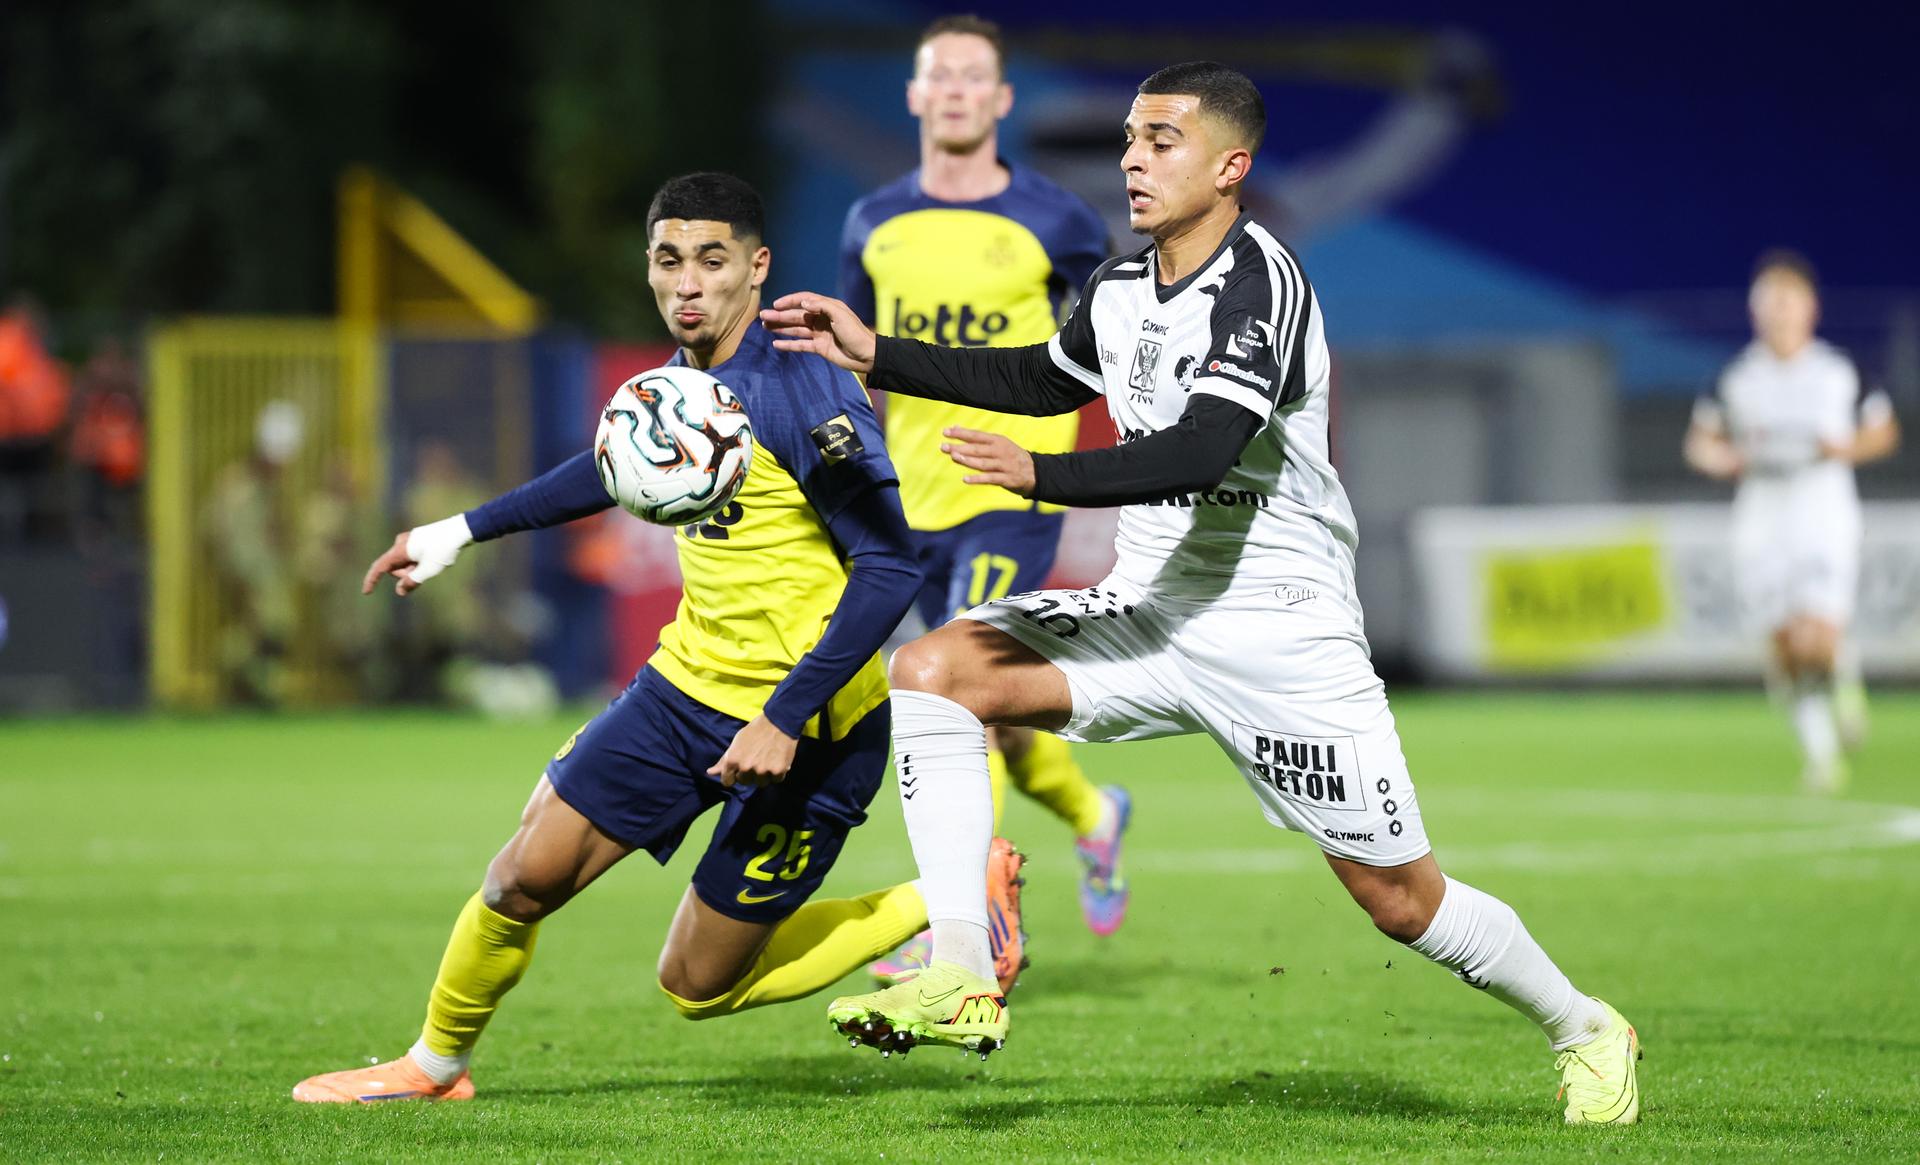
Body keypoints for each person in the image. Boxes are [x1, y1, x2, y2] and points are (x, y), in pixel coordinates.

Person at [765, 62, 1642, 1125]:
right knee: (936, 671)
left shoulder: (1261, 284)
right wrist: (880, 353)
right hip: (1148, 612)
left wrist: (1040, 473)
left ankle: (1586, 1026)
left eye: (1162, 140)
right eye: (1131, 138)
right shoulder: (1124, 286)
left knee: (1399, 900)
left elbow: (1199, 447)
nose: (1134, 158)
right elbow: (1045, 379)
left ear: (1231, 167)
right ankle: (959, 968)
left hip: (1281, 635)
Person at [291, 173, 1022, 1104]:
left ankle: (953, 894)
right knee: (521, 877)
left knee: (696, 986)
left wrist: (786, 715)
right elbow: (606, 470)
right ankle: (434, 1068)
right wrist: (455, 533)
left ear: (756, 270)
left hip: (814, 727)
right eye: (669, 261)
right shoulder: (678, 383)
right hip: (682, 692)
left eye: (712, 261)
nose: (689, 283)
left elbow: (890, 568)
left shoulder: (802, 390)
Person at [839, 14, 1131, 974]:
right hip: (908, 497)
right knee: (987, 708)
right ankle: (1095, 810)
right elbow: (857, 362)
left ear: (1002, 100)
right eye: (941, 76)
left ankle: (964, 920)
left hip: (1011, 488)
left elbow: (1113, 343)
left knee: (955, 698)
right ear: (917, 95)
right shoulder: (873, 224)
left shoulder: (1058, 221)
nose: (958, 90)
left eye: (976, 77)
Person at [1683, 250, 1900, 792]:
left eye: (1787, 302)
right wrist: (1722, 459)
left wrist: (1843, 447)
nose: (1778, 314)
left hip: (1823, 510)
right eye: (1768, 305)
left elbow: (1884, 431)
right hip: (1761, 516)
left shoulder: (1837, 370)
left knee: (1816, 639)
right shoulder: (1737, 376)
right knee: (1783, 646)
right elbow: (1700, 441)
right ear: (1756, 313)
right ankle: (1823, 755)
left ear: (1810, 308)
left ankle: (1843, 680)